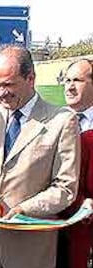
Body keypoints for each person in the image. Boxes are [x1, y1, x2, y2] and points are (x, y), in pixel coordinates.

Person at [0, 45, 80, 268]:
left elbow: (65, 188)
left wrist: (24, 210)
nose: (1, 92)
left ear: (31, 78)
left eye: (9, 84)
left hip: (30, 251)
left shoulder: (62, 121)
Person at [57, 59, 93, 268]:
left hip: (85, 232)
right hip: (50, 226)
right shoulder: (51, 121)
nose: (69, 86)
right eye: (67, 80)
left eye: (78, 80)